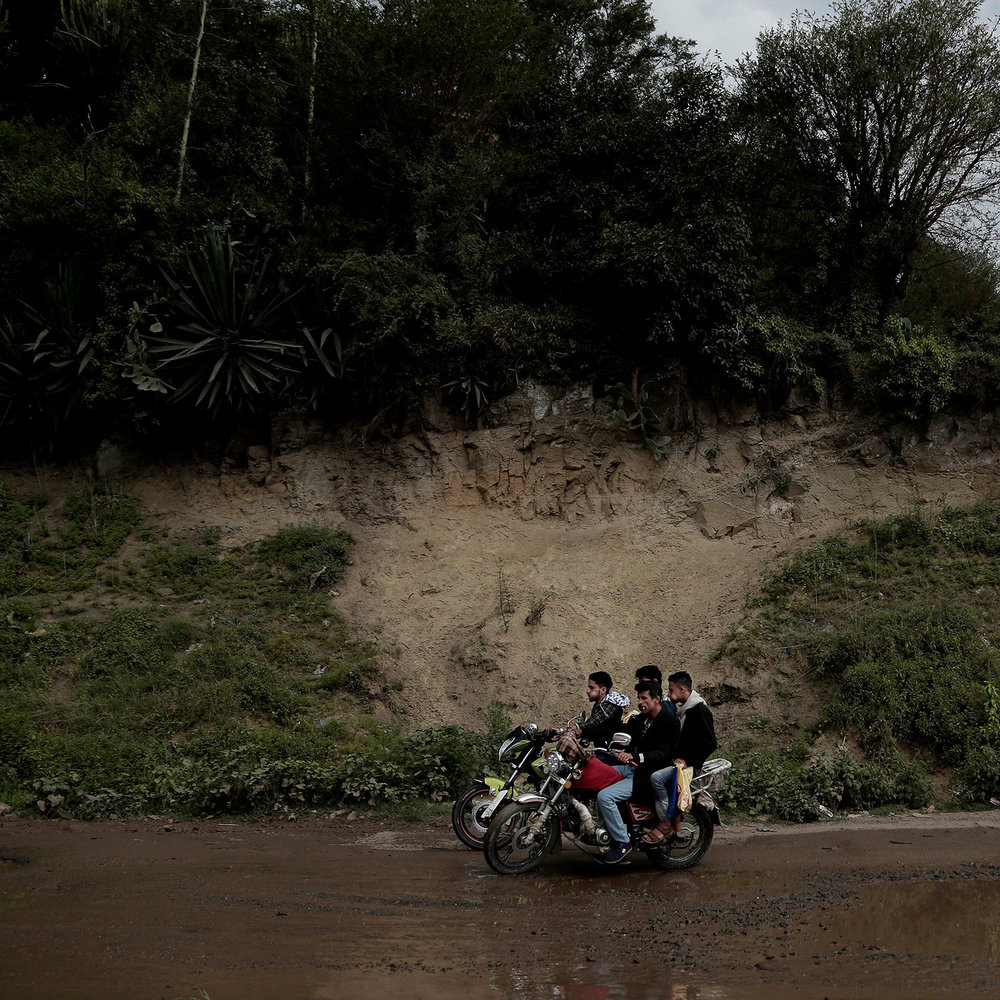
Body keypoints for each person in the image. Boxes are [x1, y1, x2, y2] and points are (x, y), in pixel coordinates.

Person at [595, 680, 679, 864]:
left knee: (605, 797)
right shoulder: (641, 719)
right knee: (597, 773)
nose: (640, 702)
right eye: (638, 698)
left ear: (656, 699)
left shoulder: (670, 722)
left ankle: (623, 843)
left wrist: (636, 756)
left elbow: (664, 753)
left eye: (644, 698)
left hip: (648, 774)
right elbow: (620, 732)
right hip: (632, 767)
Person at [643, 670, 717, 844]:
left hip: (689, 768)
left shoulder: (699, 710)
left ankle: (665, 822)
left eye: (671, 690)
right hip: (679, 764)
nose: (668, 694)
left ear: (682, 690)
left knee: (657, 779)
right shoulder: (684, 710)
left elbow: (710, 743)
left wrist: (688, 761)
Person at [569, 671, 630, 748]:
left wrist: (567, 729)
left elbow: (593, 722)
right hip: (601, 749)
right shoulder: (599, 705)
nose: (587, 691)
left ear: (603, 690)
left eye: (591, 688)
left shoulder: (609, 706)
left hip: (610, 751)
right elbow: (597, 729)